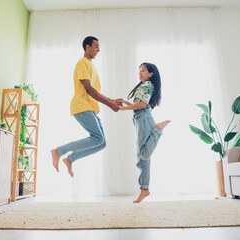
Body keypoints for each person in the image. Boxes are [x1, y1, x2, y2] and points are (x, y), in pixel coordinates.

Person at [51, 36, 120, 177]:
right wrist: (110, 105)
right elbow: (89, 90)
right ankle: (58, 151)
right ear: (87, 46)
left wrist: (112, 101)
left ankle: (70, 159)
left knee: (102, 143)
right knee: (98, 138)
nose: (98, 50)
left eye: (99, 47)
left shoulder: (90, 65)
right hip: (81, 106)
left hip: (90, 108)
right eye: (96, 46)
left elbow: (95, 91)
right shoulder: (82, 63)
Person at [118, 62, 170, 203]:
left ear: (150, 74)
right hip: (140, 118)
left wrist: (124, 109)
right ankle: (144, 189)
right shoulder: (145, 85)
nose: (140, 73)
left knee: (144, 155)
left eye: (143, 70)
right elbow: (138, 106)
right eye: (139, 70)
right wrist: (125, 103)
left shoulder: (147, 85)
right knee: (143, 157)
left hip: (143, 119)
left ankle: (158, 129)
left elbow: (142, 105)